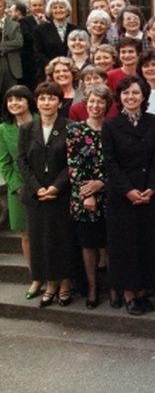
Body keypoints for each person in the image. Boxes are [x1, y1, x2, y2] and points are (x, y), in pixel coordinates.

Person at [102, 76, 155, 314]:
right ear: (119, 97)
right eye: (126, 93)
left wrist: (152, 187)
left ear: (144, 96)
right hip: (122, 196)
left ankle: (142, 291)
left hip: (149, 193)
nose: (131, 97)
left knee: (147, 243)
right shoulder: (110, 125)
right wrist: (128, 190)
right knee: (125, 246)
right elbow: (110, 162)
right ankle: (128, 294)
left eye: (136, 93)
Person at [18, 82, 75, 307]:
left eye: (51, 98)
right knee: (41, 242)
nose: (46, 103)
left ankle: (65, 284)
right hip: (36, 196)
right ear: (36, 102)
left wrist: (56, 187)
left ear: (60, 103)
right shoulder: (27, 129)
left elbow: (72, 163)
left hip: (60, 195)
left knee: (63, 240)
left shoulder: (70, 127)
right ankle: (50, 284)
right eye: (42, 98)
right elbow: (22, 161)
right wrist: (36, 188)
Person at [66, 84, 112, 309]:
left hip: (110, 195)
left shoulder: (112, 129)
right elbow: (74, 165)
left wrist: (102, 184)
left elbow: (117, 164)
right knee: (89, 244)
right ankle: (93, 287)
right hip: (84, 197)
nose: (95, 106)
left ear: (107, 105)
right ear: (85, 103)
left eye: (100, 102)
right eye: (92, 101)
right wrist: (88, 194)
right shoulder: (75, 130)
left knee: (112, 242)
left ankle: (114, 287)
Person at [0, 86, 37, 298]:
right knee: (26, 234)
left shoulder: (42, 119)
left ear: (28, 101)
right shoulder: (4, 129)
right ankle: (35, 278)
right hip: (19, 189)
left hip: (45, 185)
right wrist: (17, 186)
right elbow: (4, 163)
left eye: (19, 99)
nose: (14, 103)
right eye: (10, 100)